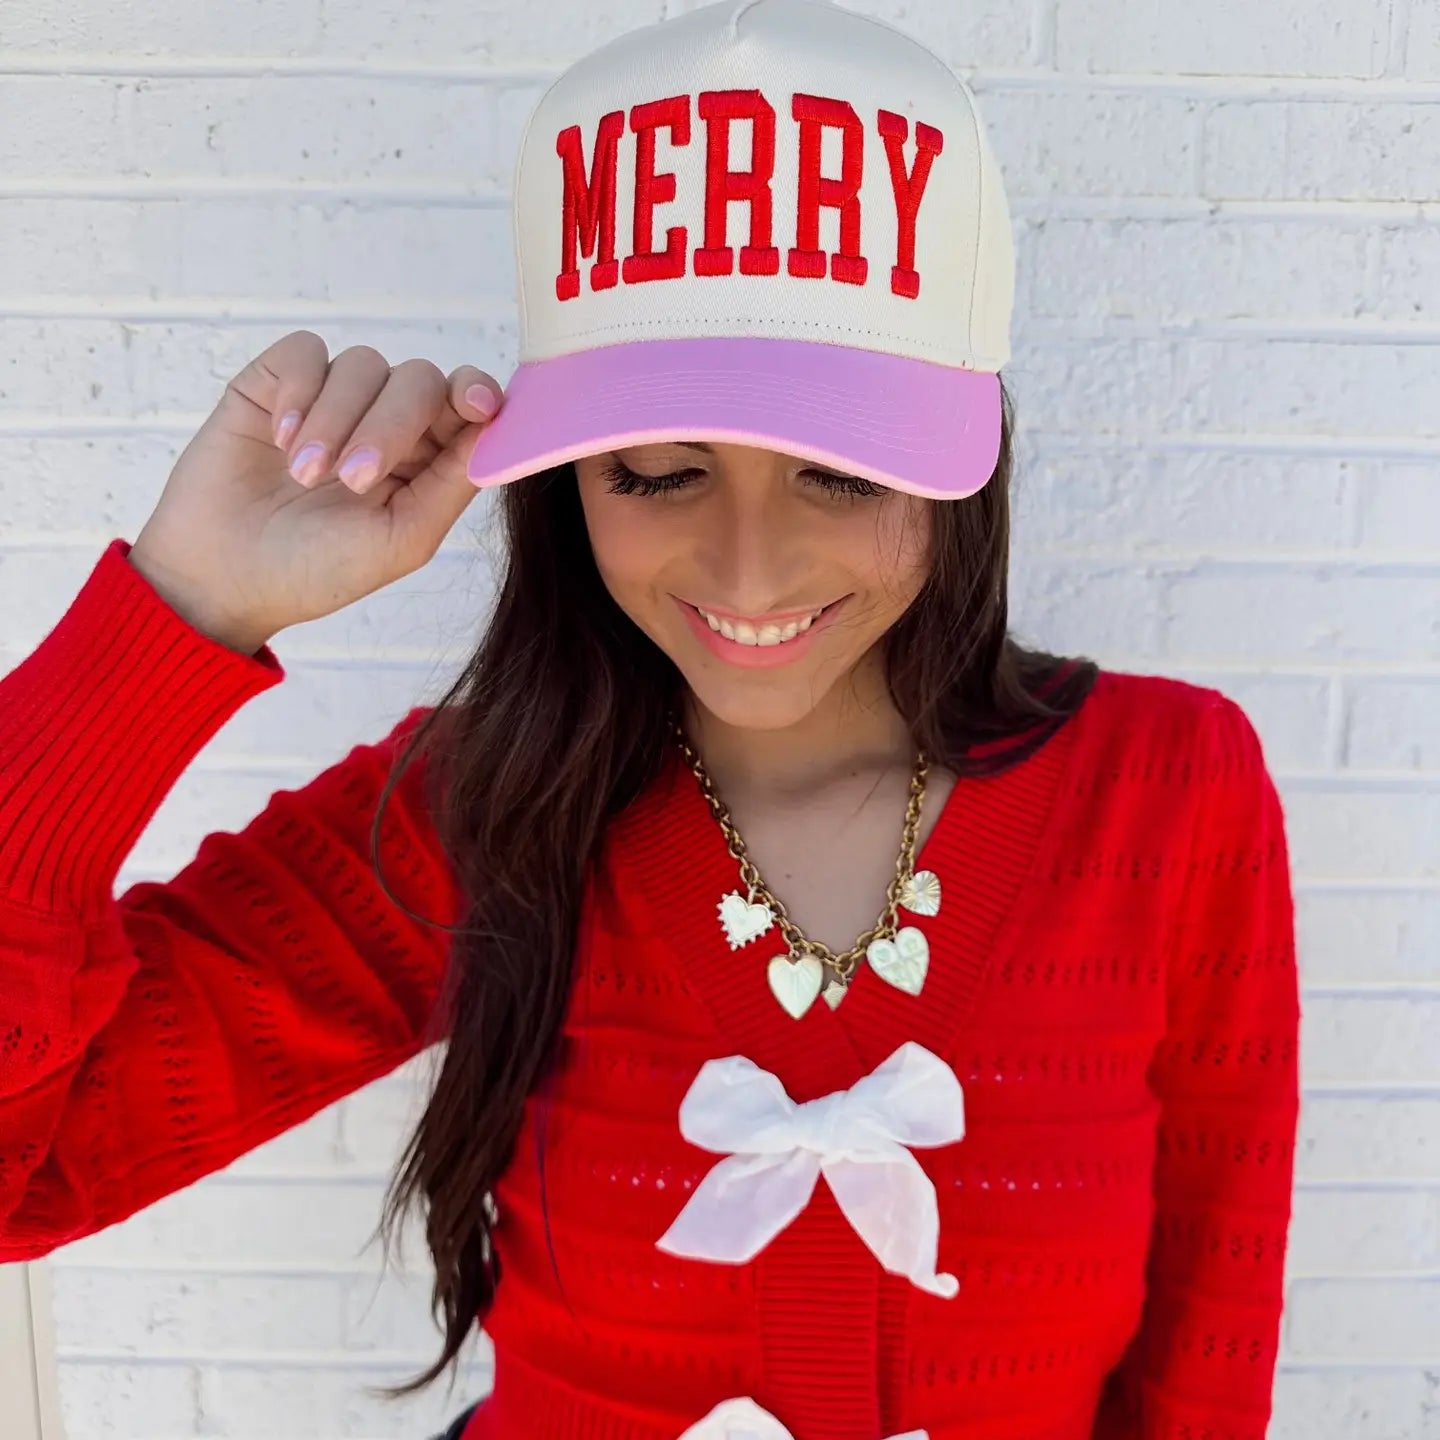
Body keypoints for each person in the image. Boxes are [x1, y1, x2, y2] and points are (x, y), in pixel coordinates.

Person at [0, 1, 1301, 1438]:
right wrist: (181, 608)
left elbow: (1206, 1358)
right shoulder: (472, 812)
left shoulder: (1170, 794)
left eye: (843, 477)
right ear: (566, 487)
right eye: (660, 476)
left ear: (955, 474)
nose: (749, 574)